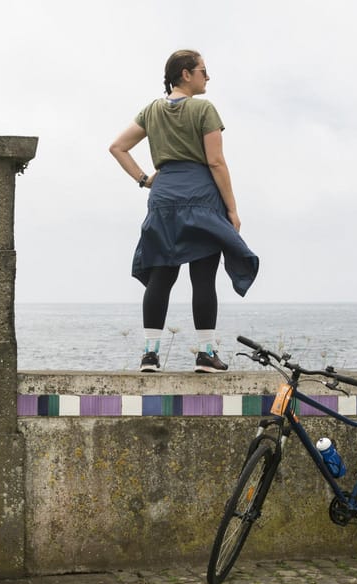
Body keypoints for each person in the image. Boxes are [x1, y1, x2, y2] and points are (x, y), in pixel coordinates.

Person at [109, 49, 259, 373]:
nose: (208, 76)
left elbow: (117, 147)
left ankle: (150, 355)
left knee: (161, 276)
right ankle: (206, 355)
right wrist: (232, 209)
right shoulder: (203, 108)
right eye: (204, 70)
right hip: (201, 197)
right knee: (203, 278)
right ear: (186, 74)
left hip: (163, 199)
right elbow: (216, 162)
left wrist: (145, 180)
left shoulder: (151, 111)